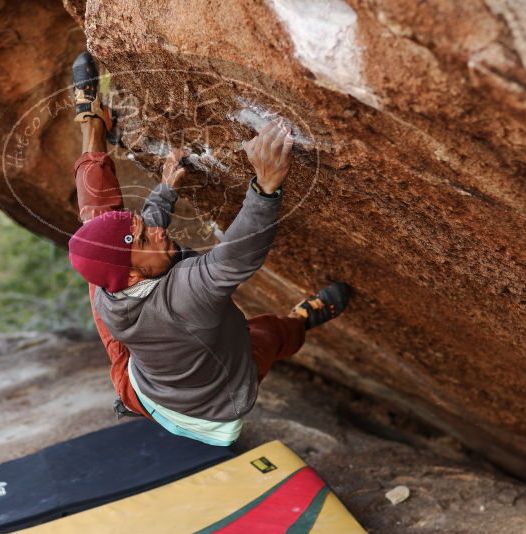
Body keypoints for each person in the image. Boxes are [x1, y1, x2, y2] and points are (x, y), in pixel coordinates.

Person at [67, 51, 352, 446]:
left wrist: (164, 195)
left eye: (145, 226)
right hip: (211, 403)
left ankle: (91, 122)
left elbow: (135, 243)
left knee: (96, 228)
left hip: (138, 374)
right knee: (267, 336)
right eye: (147, 237)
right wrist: (266, 186)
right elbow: (235, 257)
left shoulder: (111, 289)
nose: (155, 231)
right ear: (132, 277)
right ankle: (303, 320)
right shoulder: (183, 298)